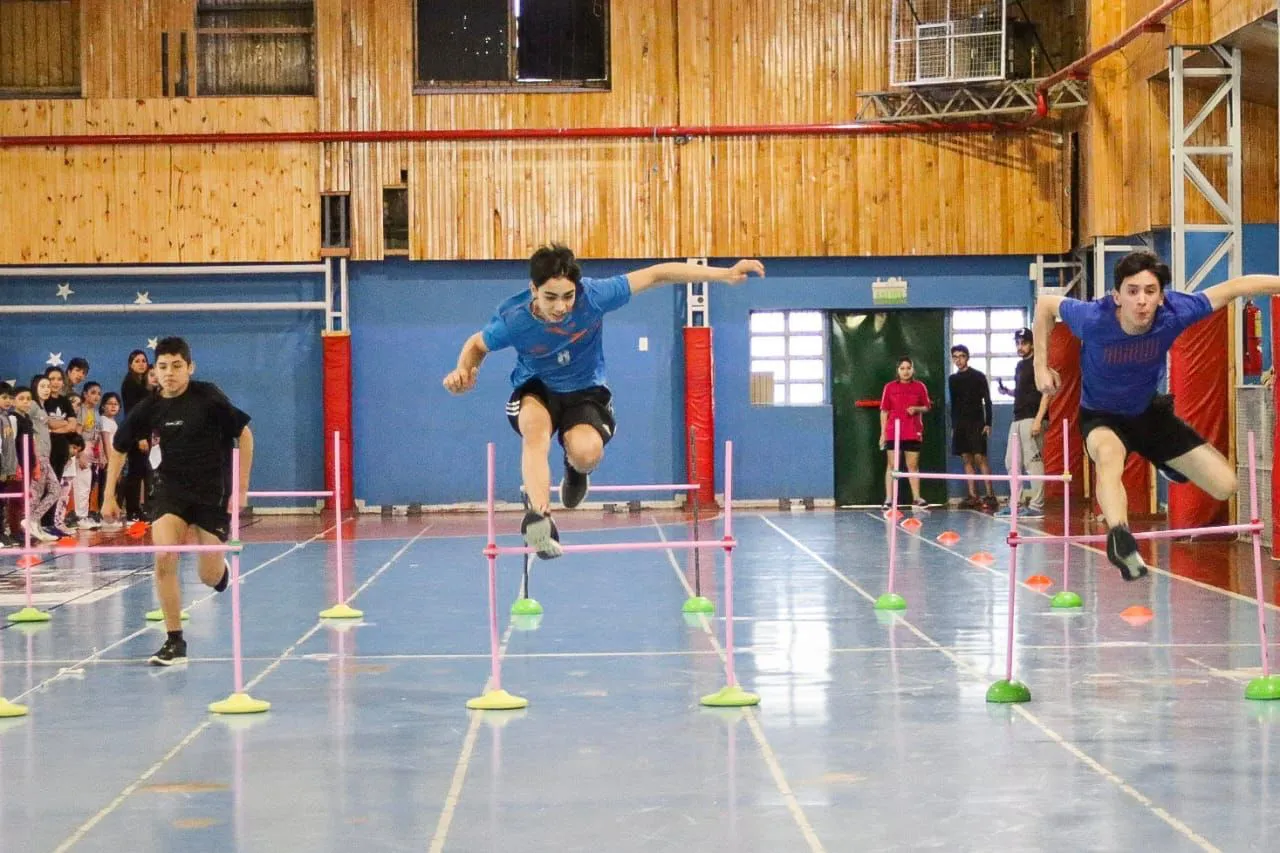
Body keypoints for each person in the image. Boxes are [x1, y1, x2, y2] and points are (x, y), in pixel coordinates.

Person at [443, 244, 764, 559]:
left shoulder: (595, 296)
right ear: (533, 290)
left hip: (585, 390)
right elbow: (476, 345)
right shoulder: (514, 320)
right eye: (550, 297)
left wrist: (724, 274)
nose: (560, 307)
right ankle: (540, 518)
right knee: (534, 430)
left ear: (577, 290)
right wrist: (464, 371)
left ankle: (576, 471)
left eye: (568, 296)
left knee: (586, 453)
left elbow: (656, 275)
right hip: (536, 387)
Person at [1034, 250, 1278, 581]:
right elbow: (1046, 305)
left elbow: (1237, 286)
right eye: (1132, 291)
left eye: (1150, 291)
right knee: (1108, 458)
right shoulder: (1093, 318)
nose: (1141, 301)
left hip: (1149, 414)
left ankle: (1165, 463)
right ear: (1116, 295)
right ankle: (1120, 539)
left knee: (1225, 486)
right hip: (1101, 416)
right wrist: (1040, 366)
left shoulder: (1175, 312)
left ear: (1161, 297)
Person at [102, 337, 254, 665]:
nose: (169, 373)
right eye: (163, 367)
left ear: (190, 367)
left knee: (208, 577)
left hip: (210, 493)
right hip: (168, 491)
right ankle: (174, 642)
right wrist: (108, 495)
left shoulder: (208, 397)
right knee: (164, 557)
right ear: (154, 372)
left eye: (177, 366)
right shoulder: (150, 407)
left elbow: (244, 434)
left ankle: (219, 571)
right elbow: (118, 446)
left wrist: (241, 489)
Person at [996, 328, 1050, 519]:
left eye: (1024, 343)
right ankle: (1015, 504)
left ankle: (1036, 505)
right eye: (1017, 343)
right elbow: (1024, 392)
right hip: (1017, 418)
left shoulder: (1039, 364)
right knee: (1011, 462)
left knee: (1033, 462)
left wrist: (1038, 419)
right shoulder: (1019, 366)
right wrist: (1008, 392)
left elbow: (1046, 392)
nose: (1020, 346)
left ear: (1033, 344)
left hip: (1033, 419)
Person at [947, 344, 996, 510]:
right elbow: (954, 405)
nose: (958, 360)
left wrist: (988, 423)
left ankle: (990, 495)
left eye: (961, 356)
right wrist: (954, 426)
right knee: (966, 459)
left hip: (976, 423)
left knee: (980, 458)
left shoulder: (978, 376)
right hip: (960, 424)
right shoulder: (952, 380)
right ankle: (973, 496)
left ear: (967, 357)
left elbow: (987, 401)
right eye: (955, 357)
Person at [879, 356, 931, 511]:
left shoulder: (920, 387)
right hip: (893, 431)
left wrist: (917, 409)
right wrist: (883, 433)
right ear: (898, 371)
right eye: (902, 368)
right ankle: (889, 499)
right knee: (892, 465)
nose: (905, 371)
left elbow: (927, 407)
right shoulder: (889, 387)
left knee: (912, 465)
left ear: (913, 369)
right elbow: (884, 411)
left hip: (913, 431)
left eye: (908, 368)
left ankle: (916, 498)